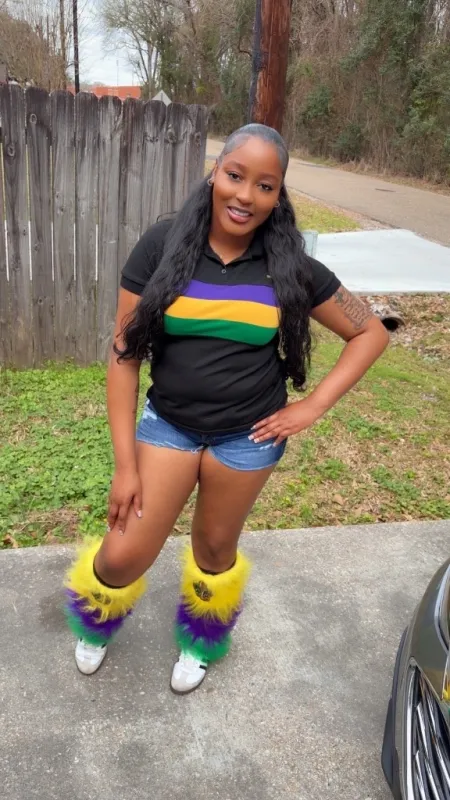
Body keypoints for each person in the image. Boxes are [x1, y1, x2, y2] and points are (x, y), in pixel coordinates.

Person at [64, 124, 389, 694]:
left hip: (248, 437)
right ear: (216, 173)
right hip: (169, 427)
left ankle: (200, 641)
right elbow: (123, 355)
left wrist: (313, 406)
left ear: (278, 195)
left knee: (215, 549)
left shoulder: (286, 262)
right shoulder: (163, 245)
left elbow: (370, 333)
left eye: (265, 185)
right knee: (122, 554)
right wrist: (125, 465)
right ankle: (96, 620)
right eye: (236, 176)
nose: (246, 196)